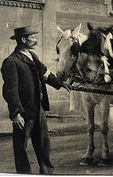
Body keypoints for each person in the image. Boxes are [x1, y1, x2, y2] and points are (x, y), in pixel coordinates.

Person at [1, 26, 70, 174]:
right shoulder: (11, 62)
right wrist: (15, 113)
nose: (36, 40)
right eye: (33, 37)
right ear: (23, 40)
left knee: (43, 143)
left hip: (38, 109)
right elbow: (9, 91)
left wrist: (61, 83)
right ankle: (24, 173)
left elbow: (45, 73)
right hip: (24, 112)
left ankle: (46, 172)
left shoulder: (32, 56)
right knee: (21, 146)